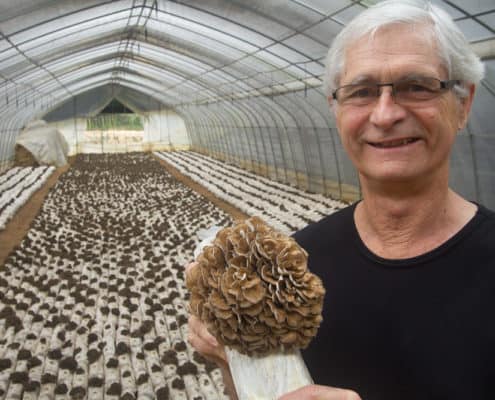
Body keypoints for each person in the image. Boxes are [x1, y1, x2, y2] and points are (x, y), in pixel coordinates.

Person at [188, 0, 495, 399]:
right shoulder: (293, 268)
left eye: (416, 87)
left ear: (463, 103)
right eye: (362, 92)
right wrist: (233, 360)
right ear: (336, 110)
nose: (385, 115)